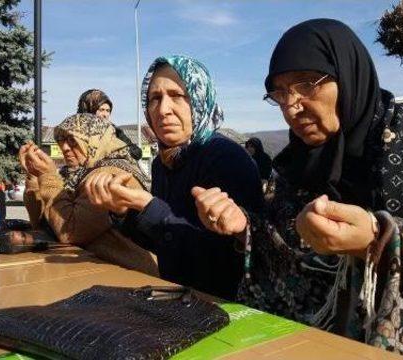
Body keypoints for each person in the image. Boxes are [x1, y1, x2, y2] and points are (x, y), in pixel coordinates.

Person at [192, 19, 403, 358]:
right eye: (279, 92)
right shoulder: (296, 168)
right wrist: (244, 227)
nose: (291, 107)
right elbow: (287, 255)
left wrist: (379, 242)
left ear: (348, 74)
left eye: (307, 84)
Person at [84, 55, 263, 300]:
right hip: (179, 301)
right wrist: (124, 210)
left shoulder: (226, 158)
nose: (163, 109)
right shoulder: (163, 163)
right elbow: (161, 243)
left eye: (177, 96)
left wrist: (147, 205)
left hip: (227, 309)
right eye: (154, 99)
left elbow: (221, 257)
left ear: (200, 99)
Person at [19, 113, 158, 276]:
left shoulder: (111, 173)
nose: (64, 147)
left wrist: (47, 176)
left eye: (72, 140)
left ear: (94, 139)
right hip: (92, 272)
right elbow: (41, 223)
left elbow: (69, 232)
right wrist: (34, 176)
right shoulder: (74, 175)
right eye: (61, 141)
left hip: (130, 279)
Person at [77, 89, 142, 160]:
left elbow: (137, 153)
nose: (105, 114)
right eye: (101, 110)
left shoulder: (114, 131)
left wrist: (118, 150)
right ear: (90, 110)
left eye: (108, 110)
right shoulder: (76, 130)